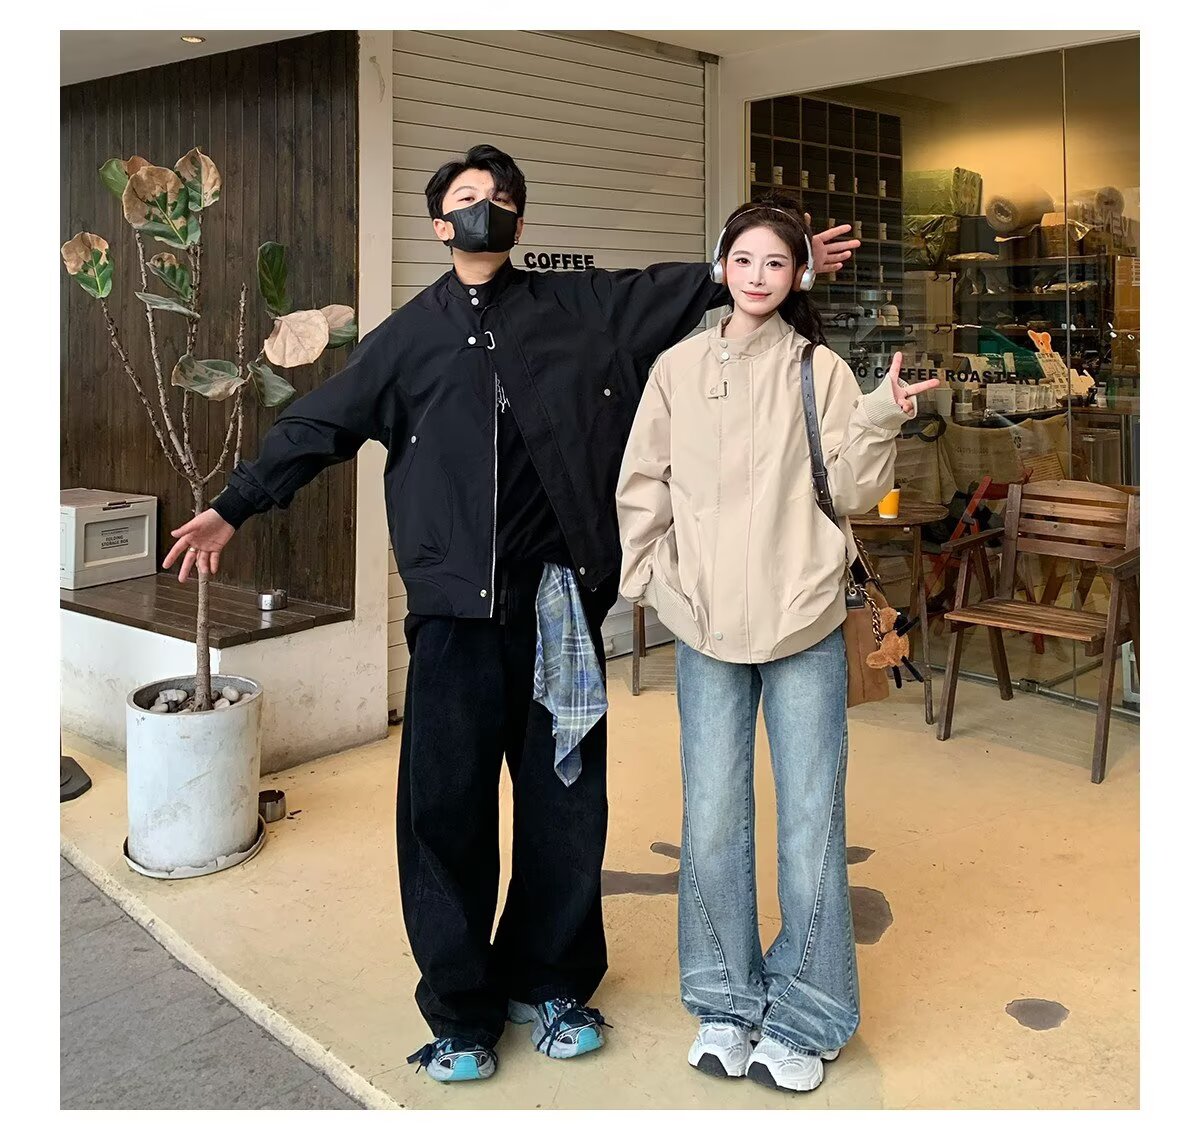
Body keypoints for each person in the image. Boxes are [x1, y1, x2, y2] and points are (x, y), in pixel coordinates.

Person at [162, 148, 860, 1085]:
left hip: (556, 605)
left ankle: (553, 982)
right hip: (453, 613)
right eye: (466, 199)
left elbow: (692, 283)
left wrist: (782, 254)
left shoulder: (579, 309)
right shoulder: (407, 339)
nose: (484, 209)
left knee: (564, 805)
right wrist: (236, 504)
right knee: (444, 813)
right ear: (439, 224)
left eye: (500, 200)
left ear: (519, 225)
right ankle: (460, 1011)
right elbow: (317, 424)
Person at [615, 196, 939, 1093]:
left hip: (803, 620)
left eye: (776, 263)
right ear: (722, 266)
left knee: (810, 822)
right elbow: (643, 481)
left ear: (798, 276)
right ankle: (724, 999)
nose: (759, 276)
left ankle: (808, 1010)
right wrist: (651, 577)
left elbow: (855, 490)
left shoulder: (819, 369)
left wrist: (881, 416)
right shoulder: (677, 367)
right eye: (745, 259)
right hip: (705, 626)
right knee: (712, 819)